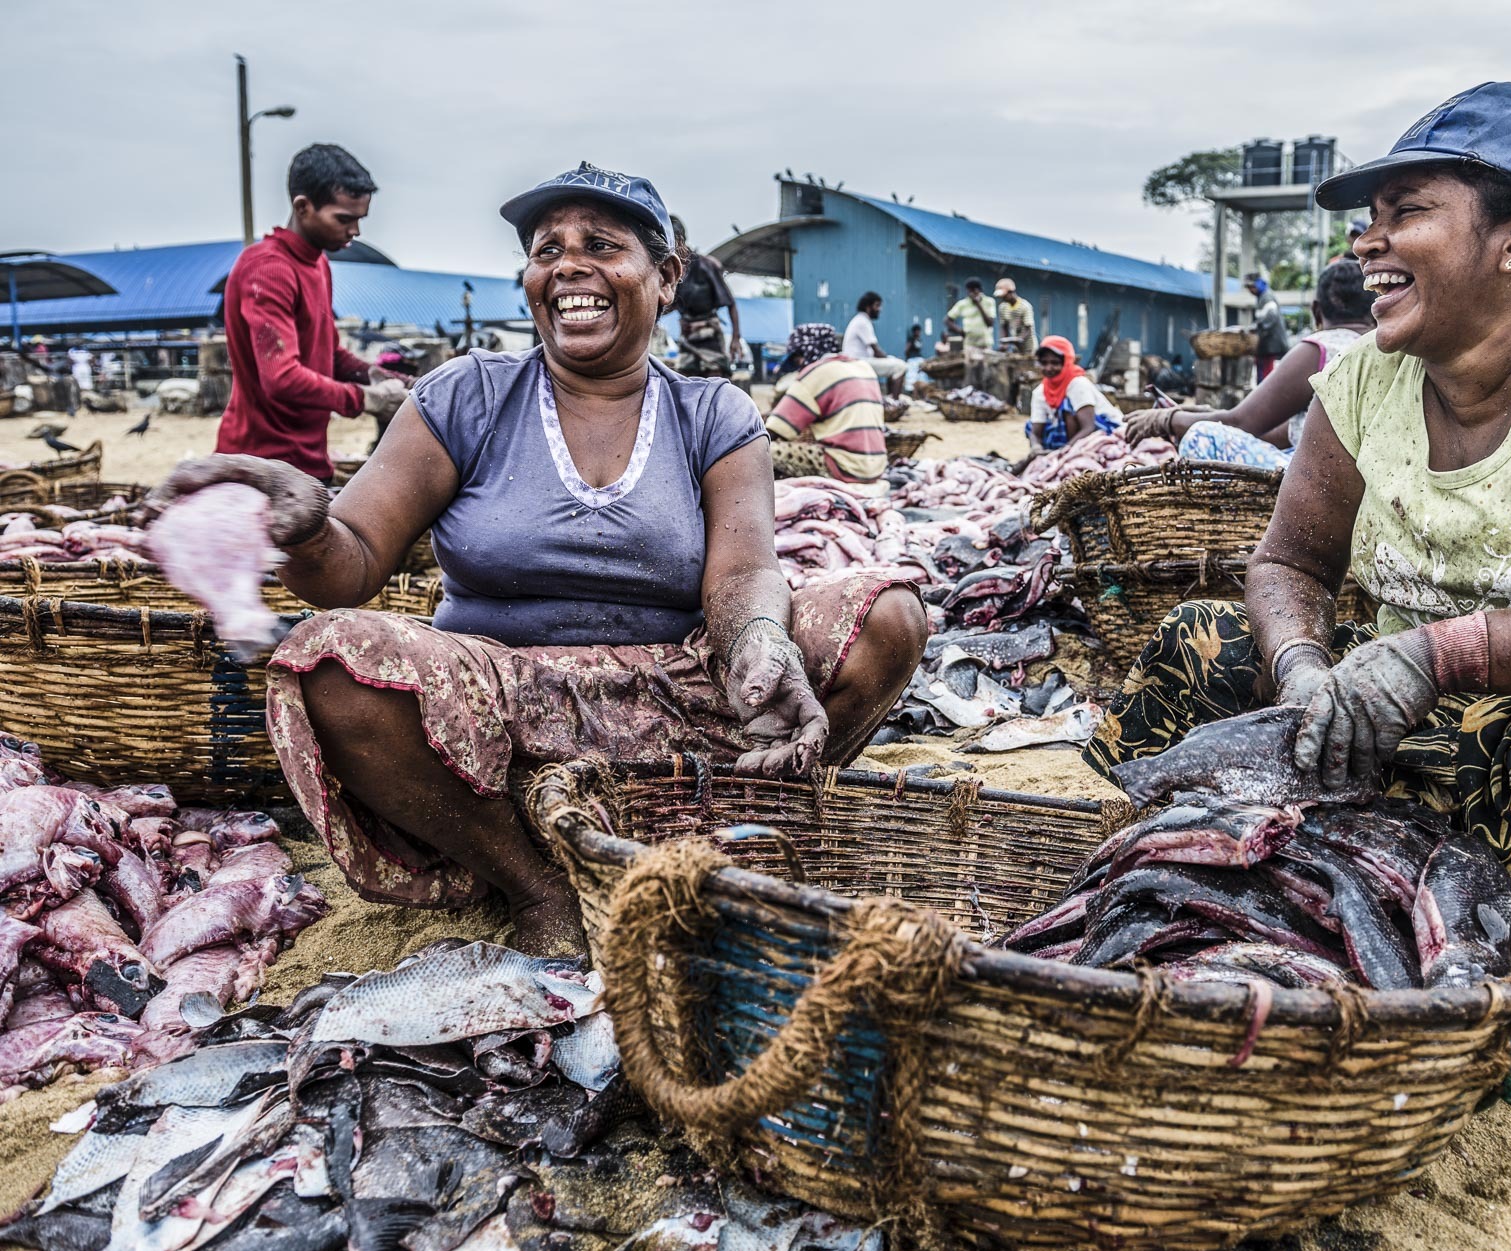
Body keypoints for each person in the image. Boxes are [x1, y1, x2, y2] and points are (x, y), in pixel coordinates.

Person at [1082, 82, 1511, 1137]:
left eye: (1407, 211)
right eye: (1368, 220)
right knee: (1197, 639)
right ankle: (1253, 881)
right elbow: (1287, 561)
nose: (1369, 242)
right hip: (1393, 738)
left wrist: (1448, 649)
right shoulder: (1363, 383)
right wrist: (1304, 667)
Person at [148, 162, 927, 955]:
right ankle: (534, 883)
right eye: (546, 249)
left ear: (664, 276)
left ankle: (730, 827)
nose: (568, 267)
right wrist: (306, 528)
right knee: (331, 661)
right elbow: (349, 569)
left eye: (600, 244)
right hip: (496, 690)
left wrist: (758, 637)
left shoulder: (712, 410)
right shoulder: (464, 396)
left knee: (888, 615)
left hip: (678, 688)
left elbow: (743, 569)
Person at [215, 144, 408, 480]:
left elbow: (328, 354)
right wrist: (366, 399)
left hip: (306, 464)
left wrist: (381, 378)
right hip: (261, 468)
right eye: (344, 219)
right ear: (303, 207)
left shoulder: (318, 263)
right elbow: (281, 378)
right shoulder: (268, 269)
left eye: (359, 220)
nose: (355, 232)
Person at [1126, 259, 1374, 468]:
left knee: (1203, 436)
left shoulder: (1318, 349)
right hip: (1356, 472)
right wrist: (1198, 413)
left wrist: (1166, 420)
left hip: (1319, 481)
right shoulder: (1378, 346)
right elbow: (1283, 431)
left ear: (1316, 311)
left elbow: (1241, 423)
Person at [765, 323, 888, 484]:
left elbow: (775, 430)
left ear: (806, 352)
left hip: (845, 466)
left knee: (760, 451)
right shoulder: (863, 367)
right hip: (877, 465)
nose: (798, 365)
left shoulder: (816, 372)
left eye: (797, 359)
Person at [669, 214, 745, 379]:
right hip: (687, 334)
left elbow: (731, 304)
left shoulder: (707, 266)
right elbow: (670, 304)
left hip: (709, 333)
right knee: (684, 381)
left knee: (715, 378)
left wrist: (735, 339)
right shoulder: (671, 270)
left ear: (681, 240)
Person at [1027, 335, 1121, 452]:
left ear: (1067, 361)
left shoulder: (1078, 384)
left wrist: (1063, 453)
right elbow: (1036, 432)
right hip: (1074, 440)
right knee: (1029, 425)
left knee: (1066, 407)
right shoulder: (1040, 392)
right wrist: (1036, 447)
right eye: (1044, 363)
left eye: (1055, 363)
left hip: (1106, 432)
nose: (1049, 368)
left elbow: (1088, 427)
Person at [843, 291, 906, 392]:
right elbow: (876, 351)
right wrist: (889, 359)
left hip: (858, 360)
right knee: (900, 366)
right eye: (877, 306)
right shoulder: (863, 322)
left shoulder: (860, 319)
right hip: (859, 361)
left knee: (894, 362)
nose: (879, 309)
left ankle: (890, 399)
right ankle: (894, 402)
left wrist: (889, 359)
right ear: (868, 307)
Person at [1244, 271, 1290, 379]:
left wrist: (1256, 328)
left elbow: (1271, 317)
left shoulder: (1267, 297)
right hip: (1266, 344)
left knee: (1266, 375)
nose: (1250, 290)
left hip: (1271, 344)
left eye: (1252, 286)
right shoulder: (1260, 298)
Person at [944, 278, 996, 350]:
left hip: (985, 344)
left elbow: (990, 323)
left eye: (974, 291)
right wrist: (961, 331)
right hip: (969, 345)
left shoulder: (989, 301)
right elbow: (947, 320)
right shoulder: (963, 304)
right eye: (969, 291)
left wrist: (978, 304)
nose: (972, 294)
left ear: (979, 290)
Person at [995, 278, 1037, 355]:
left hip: (1028, 347)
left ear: (1011, 292)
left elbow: (1028, 327)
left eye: (1004, 296)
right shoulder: (1003, 307)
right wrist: (1004, 343)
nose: (1003, 299)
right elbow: (1004, 326)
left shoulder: (1025, 306)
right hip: (1016, 348)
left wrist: (1019, 339)